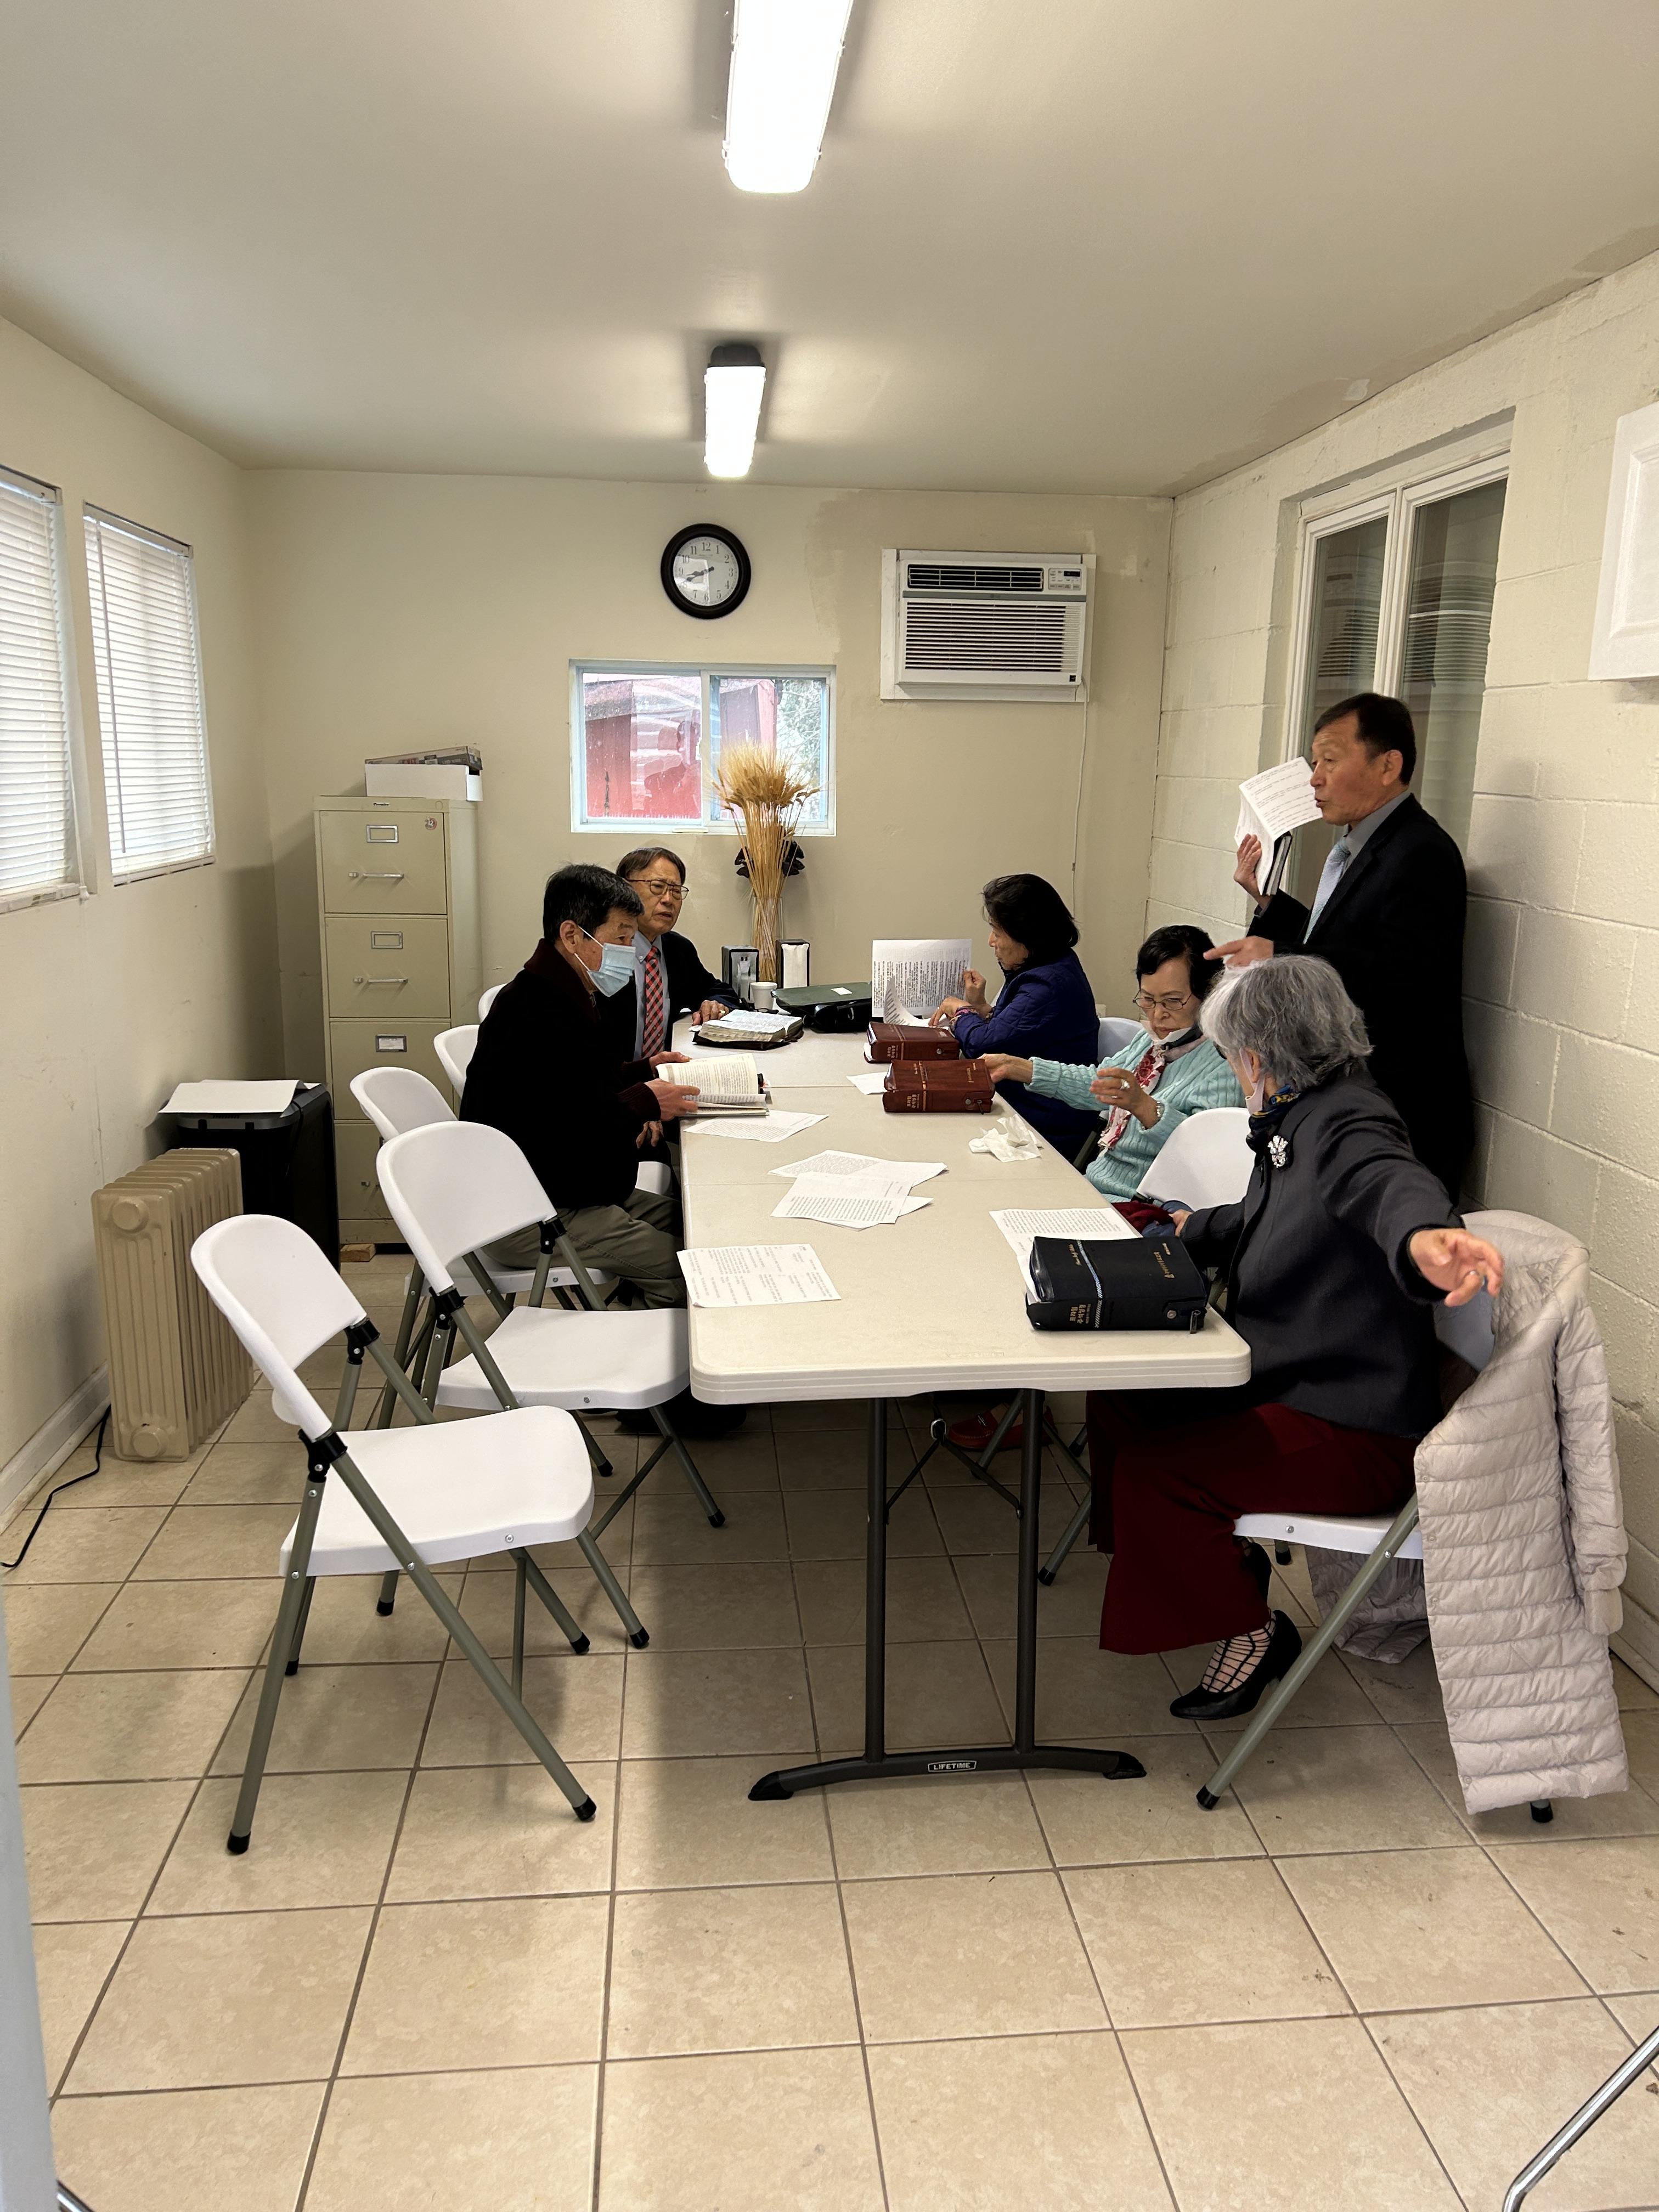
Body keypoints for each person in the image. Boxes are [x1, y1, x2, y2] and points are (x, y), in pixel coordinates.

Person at [1088, 955, 1503, 1719]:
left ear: (1256, 1056)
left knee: (1157, 1473)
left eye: (1230, 1056)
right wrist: (1188, 1227)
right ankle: (1198, 1561)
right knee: (1120, 1396)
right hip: (1292, 1378)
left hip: (1353, 1425)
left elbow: (1388, 1181)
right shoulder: (1299, 1110)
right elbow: (1268, 1210)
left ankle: (1252, 1632)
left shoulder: (1348, 1119)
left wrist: (1424, 1238)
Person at [1213, 692, 1472, 1198]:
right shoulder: (1363, 844)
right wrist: (1268, 902)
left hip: (1397, 1103)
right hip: (1347, 1094)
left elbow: (1401, 975)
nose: (1315, 779)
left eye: (1330, 761)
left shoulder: (1421, 851)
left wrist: (1279, 954)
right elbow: (1336, 940)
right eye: (1315, 764)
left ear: (1388, 766)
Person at [461, 864, 701, 1308]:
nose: (629, 952)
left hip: (575, 1189)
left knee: (702, 1226)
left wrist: (642, 1070)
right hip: (531, 1211)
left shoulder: (568, 993)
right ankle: (638, 1343)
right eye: (622, 939)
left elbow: (578, 1084)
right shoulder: (532, 1012)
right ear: (572, 935)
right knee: (688, 1271)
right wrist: (643, 1101)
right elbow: (565, 1126)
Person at [980, 923, 1241, 1199]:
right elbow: (1099, 1084)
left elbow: (1204, 1159)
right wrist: (1020, 1068)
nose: (1157, 1015)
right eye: (1148, 999)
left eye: (1173, 1001)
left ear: (1208, 994)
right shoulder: (1155, 1042)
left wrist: (1144, 1107)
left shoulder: (1225, 1064)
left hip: (1138, 1205)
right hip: (1095, 1187)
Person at [930, 873, 1099, 1147]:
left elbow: (982, 1046)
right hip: (1021, 1108)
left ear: (1027, 937)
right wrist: (982, 1009)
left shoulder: (1049, 985)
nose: (991, 941)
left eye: (997, 933)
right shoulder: (1049, 964)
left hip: (1041, 1125)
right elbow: (1018, 1032)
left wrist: (962, 1011)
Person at [595, 845, 739, 1063]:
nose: (668, 900)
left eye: (676, 891)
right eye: (658, 887)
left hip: (667, 1072)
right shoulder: (604, 948)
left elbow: (719, 991)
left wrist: (715, 1004)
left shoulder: (678, 949)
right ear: (625, 889)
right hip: (611, 1078)